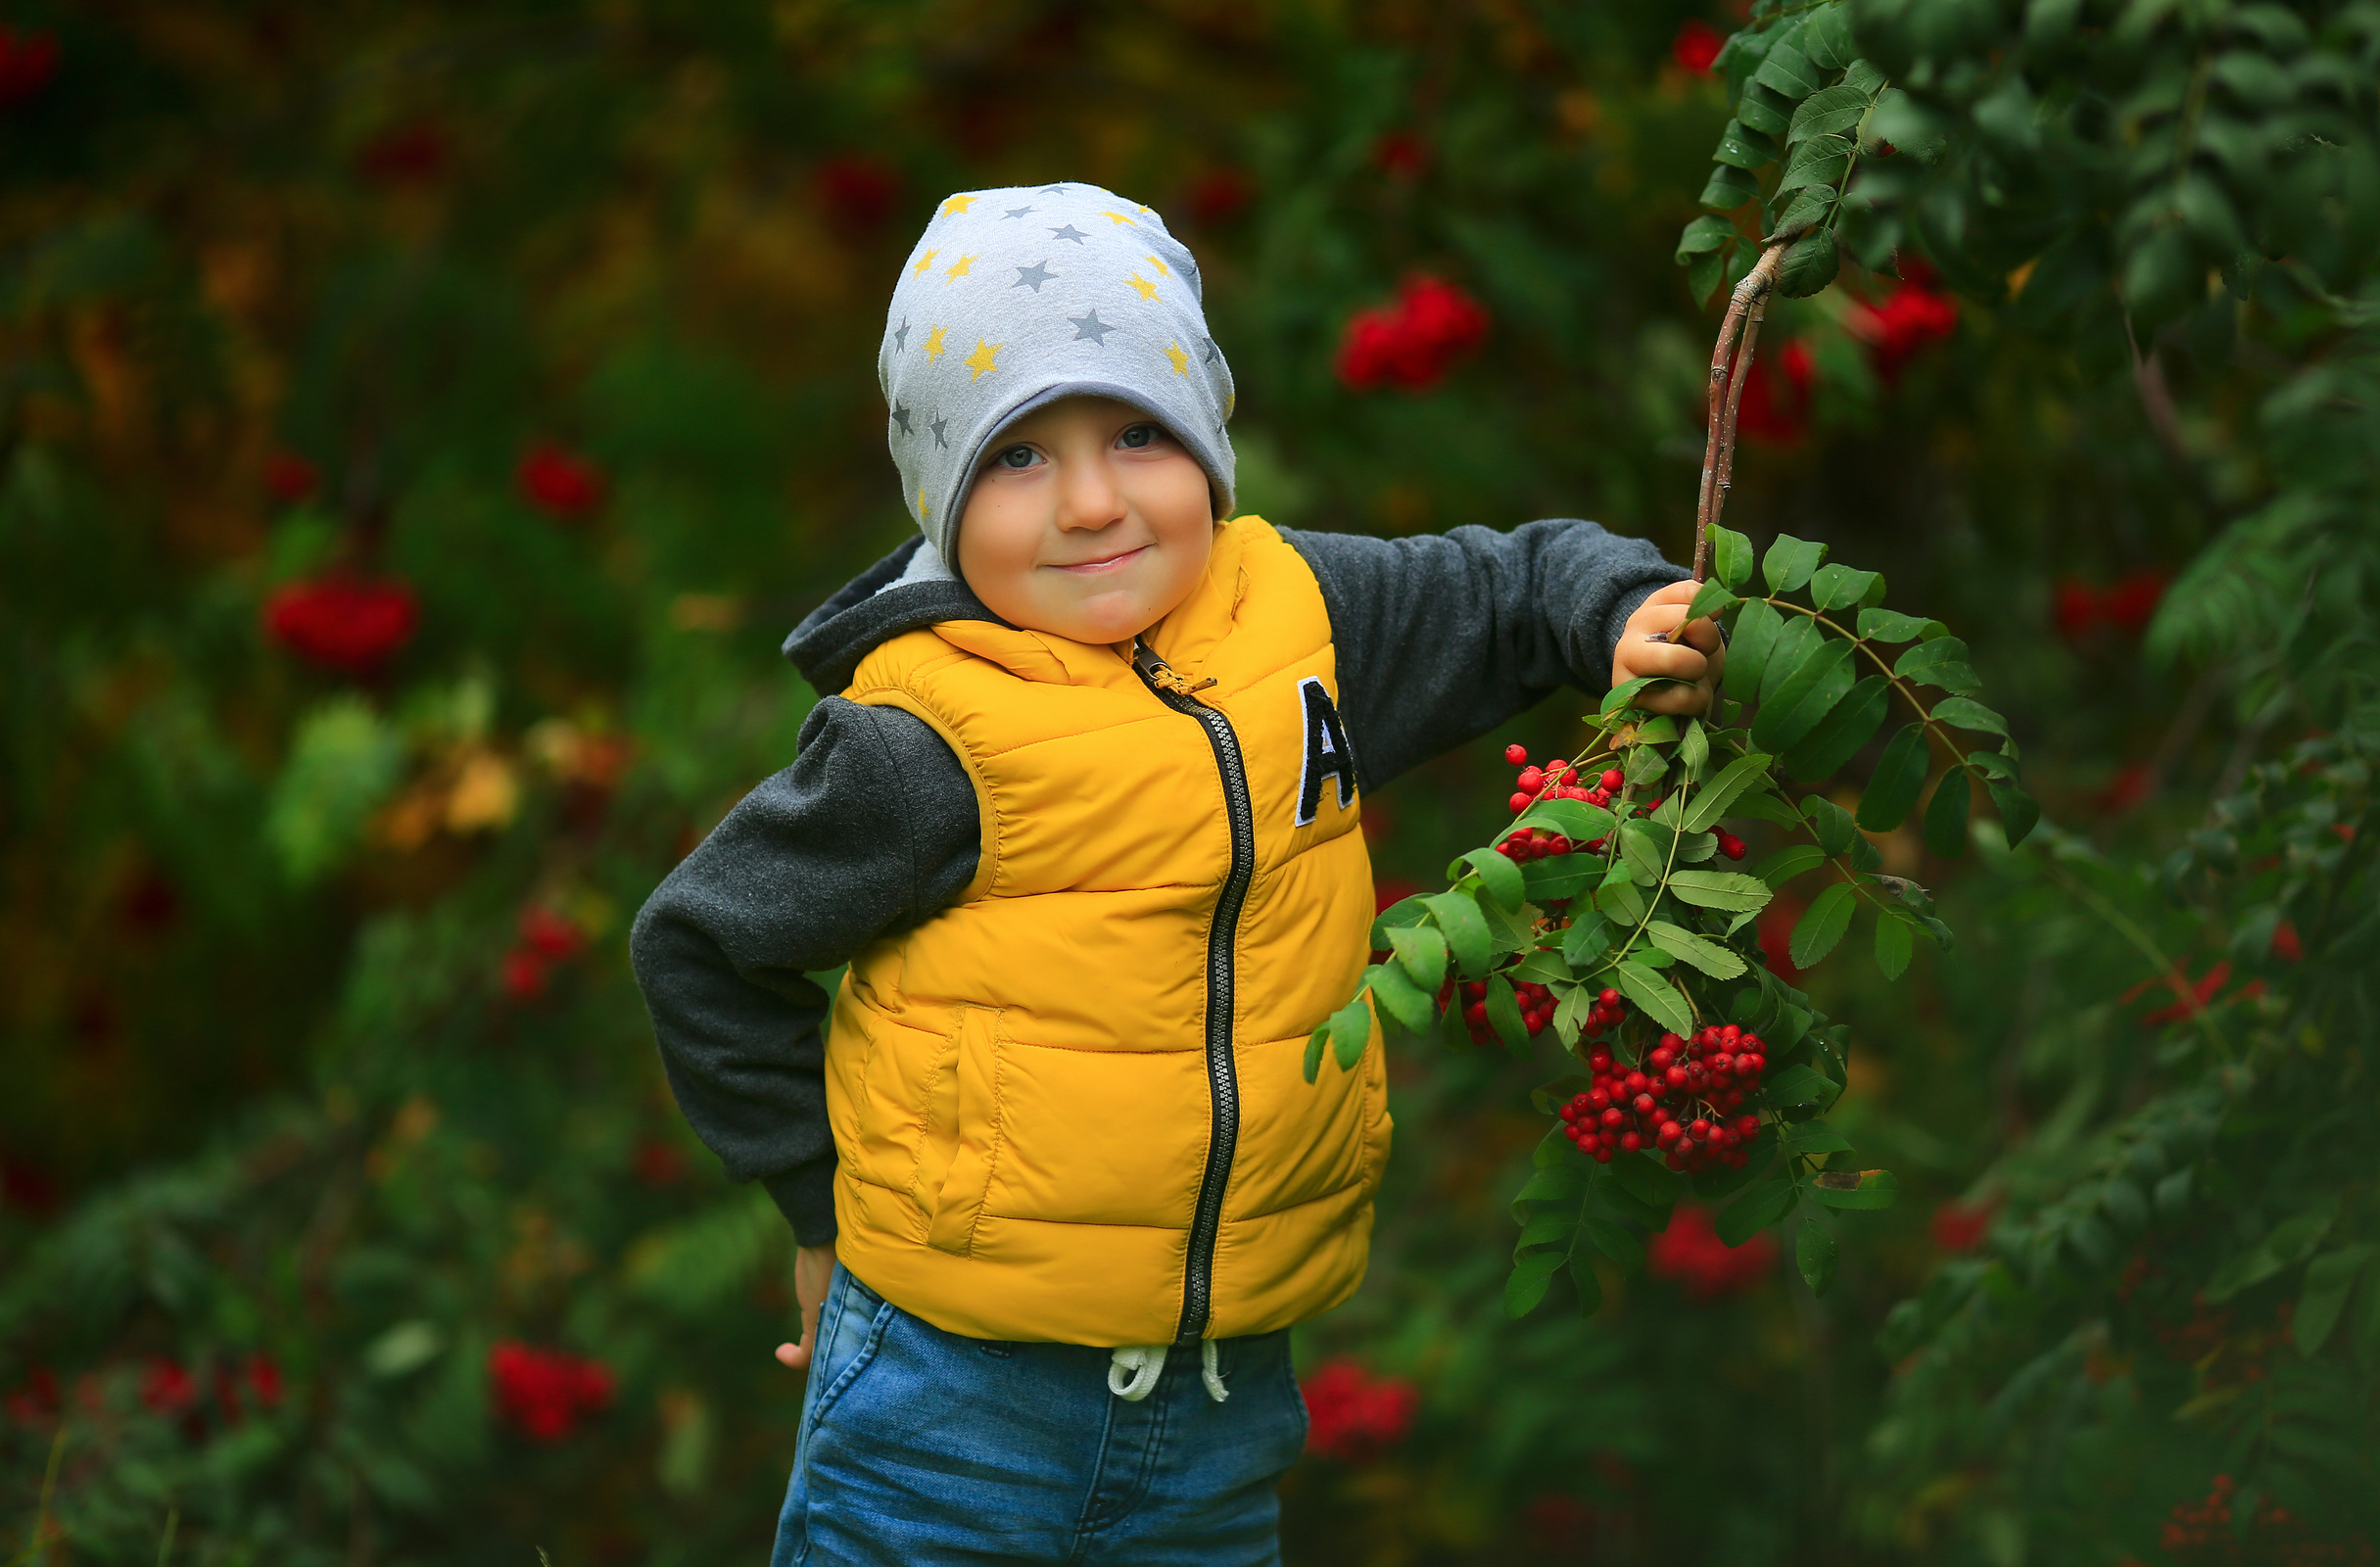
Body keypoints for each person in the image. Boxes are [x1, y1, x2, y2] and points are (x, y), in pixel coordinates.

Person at [629, 182, 1725, 1565]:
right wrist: (821, 1204)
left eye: (1139, 433)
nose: (1093, 501)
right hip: (949, 1406)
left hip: (1220, 1400)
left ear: (1208, 435)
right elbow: (703, 944)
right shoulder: (922, 743)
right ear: (941, 492)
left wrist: (1621, 612)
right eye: (1019, 457)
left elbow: (1512, 586)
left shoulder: (1307, 626)